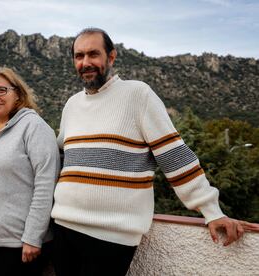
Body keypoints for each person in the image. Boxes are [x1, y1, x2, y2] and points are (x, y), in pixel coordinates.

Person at [51, 28, 259, 276]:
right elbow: (61, 156)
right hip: (63, 227)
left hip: (112, 236)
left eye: (93, 54)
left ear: (112, 57)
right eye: (79, 56)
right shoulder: (72, 105)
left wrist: (211, 211)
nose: (85, 63)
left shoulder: (138, 95)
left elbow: (174, 155)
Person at [0, 67, 60, 276]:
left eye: (1, 90)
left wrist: (33, 237)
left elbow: (45, 185)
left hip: (18, 244)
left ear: (18, 94)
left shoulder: (34, 127)